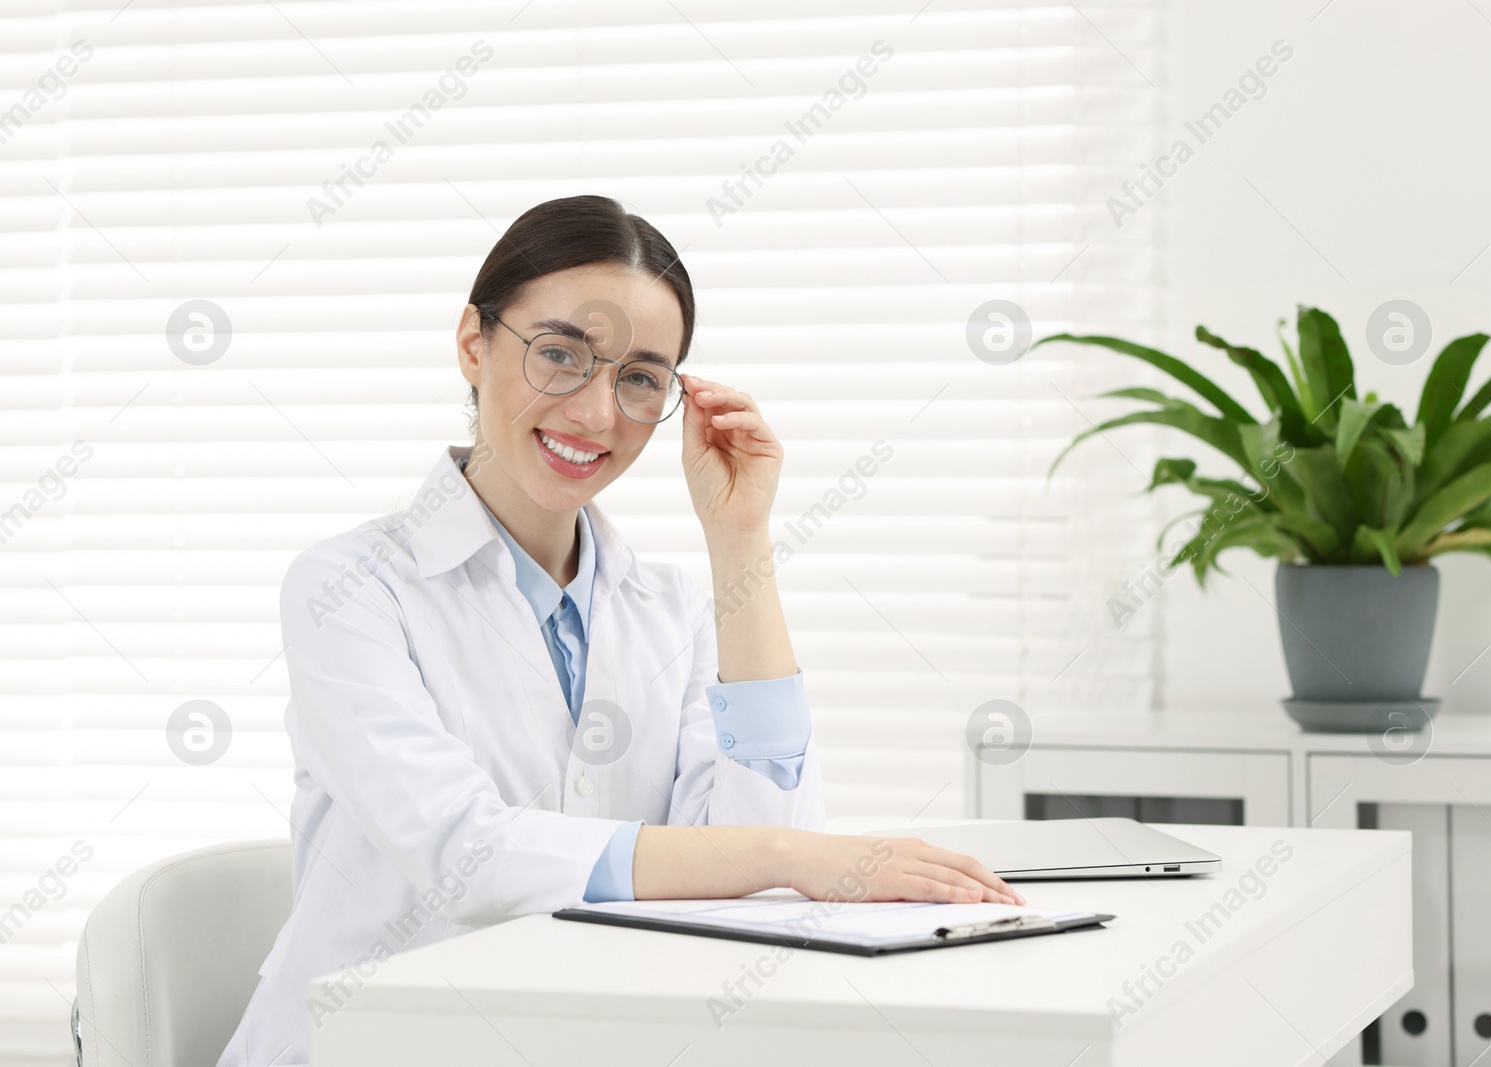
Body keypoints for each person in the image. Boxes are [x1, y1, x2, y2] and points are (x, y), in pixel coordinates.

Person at [216, 195, 1019, 1065]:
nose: (598, 413)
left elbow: (756, 860)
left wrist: (739, 538)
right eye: (560, 354)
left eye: (639, 377)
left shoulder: (671, 606)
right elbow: (465, 852)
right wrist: (791, 853)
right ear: (472, 345)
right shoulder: (350, 587)